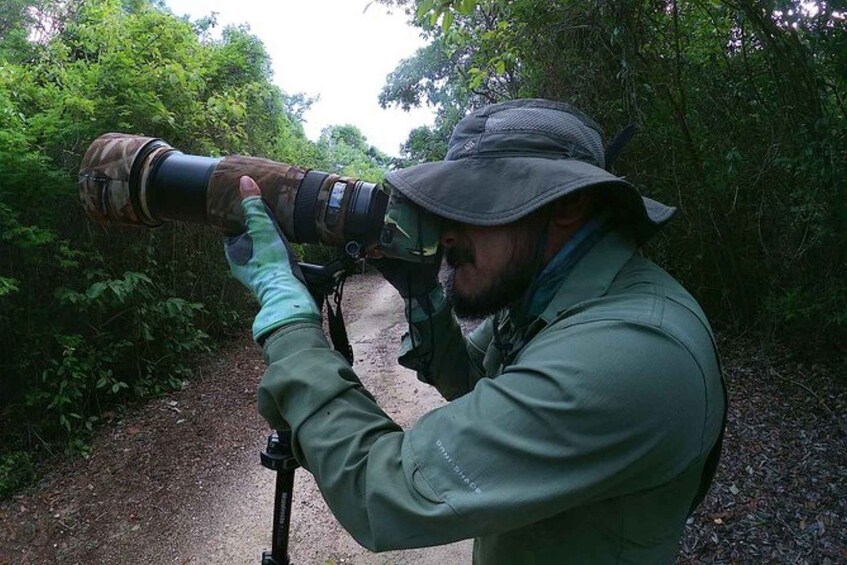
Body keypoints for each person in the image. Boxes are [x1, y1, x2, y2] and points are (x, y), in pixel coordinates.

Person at [224, 99, 726, 564]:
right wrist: (422, 292)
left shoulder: (630, 351)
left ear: (567, 206)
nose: (447, 230)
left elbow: (389, 493)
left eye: (476, 204)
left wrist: (289, 321)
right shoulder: (551, 297)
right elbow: (471, 383)